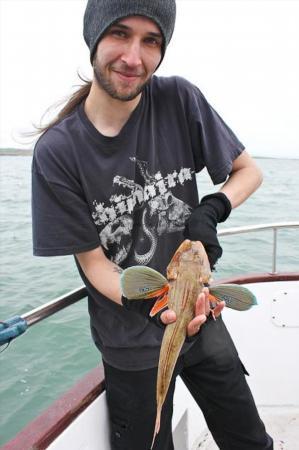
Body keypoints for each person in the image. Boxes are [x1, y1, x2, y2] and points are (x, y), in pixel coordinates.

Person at [31, 0, 273, 448]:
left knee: (251, 441)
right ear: (94, 37)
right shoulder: (58, 153)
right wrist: (148, 304)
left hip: (203, 316)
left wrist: (212, 209)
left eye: (151, 40)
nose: (133, 57)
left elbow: (249, 172)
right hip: (131, 340)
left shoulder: (179, 98)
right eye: (120, 33)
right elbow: (94, 262)